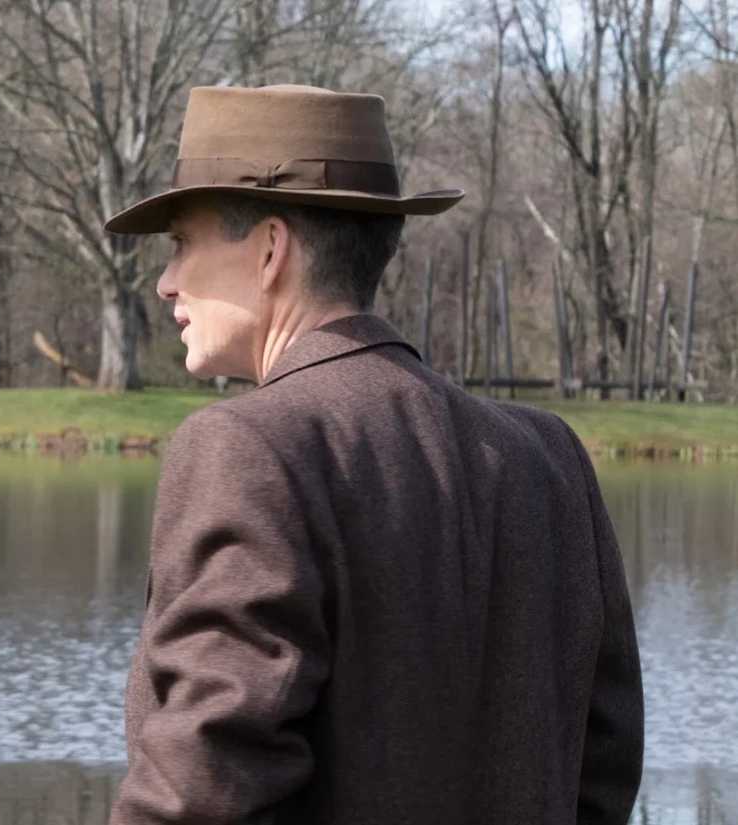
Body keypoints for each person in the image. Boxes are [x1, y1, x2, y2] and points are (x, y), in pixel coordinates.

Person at [105, 85, 643, 825]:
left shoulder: (250, 447)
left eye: (182, 243)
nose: (167, 280)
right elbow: (603, 767)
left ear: (269, 250)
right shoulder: (549, 458)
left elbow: (205, 787)